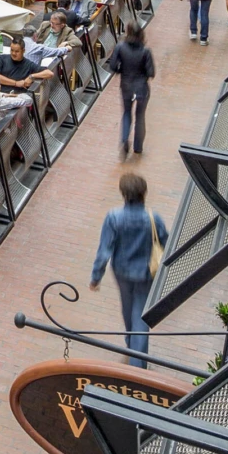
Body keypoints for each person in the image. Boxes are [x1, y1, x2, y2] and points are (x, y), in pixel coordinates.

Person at [91, 171, 168, 367]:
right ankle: (138, 361)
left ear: (123, 194)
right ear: (144, 193)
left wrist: (96, 277)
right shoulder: (154, 218)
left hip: (122, 272)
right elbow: (166, 242)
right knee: (140, 315)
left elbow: (104, 251)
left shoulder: (113, 217)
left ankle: (131, 344)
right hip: (145, 273)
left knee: (127, 307)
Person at [105, 20, 155, 161]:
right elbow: (151, 72)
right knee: (140, 116)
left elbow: (113, 66)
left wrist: (123, 70)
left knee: (127, 113)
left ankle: (124, 139)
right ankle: (138, 146)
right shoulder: (146, 50)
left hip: (126, 85)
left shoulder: (120, 47)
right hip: (141, 88)